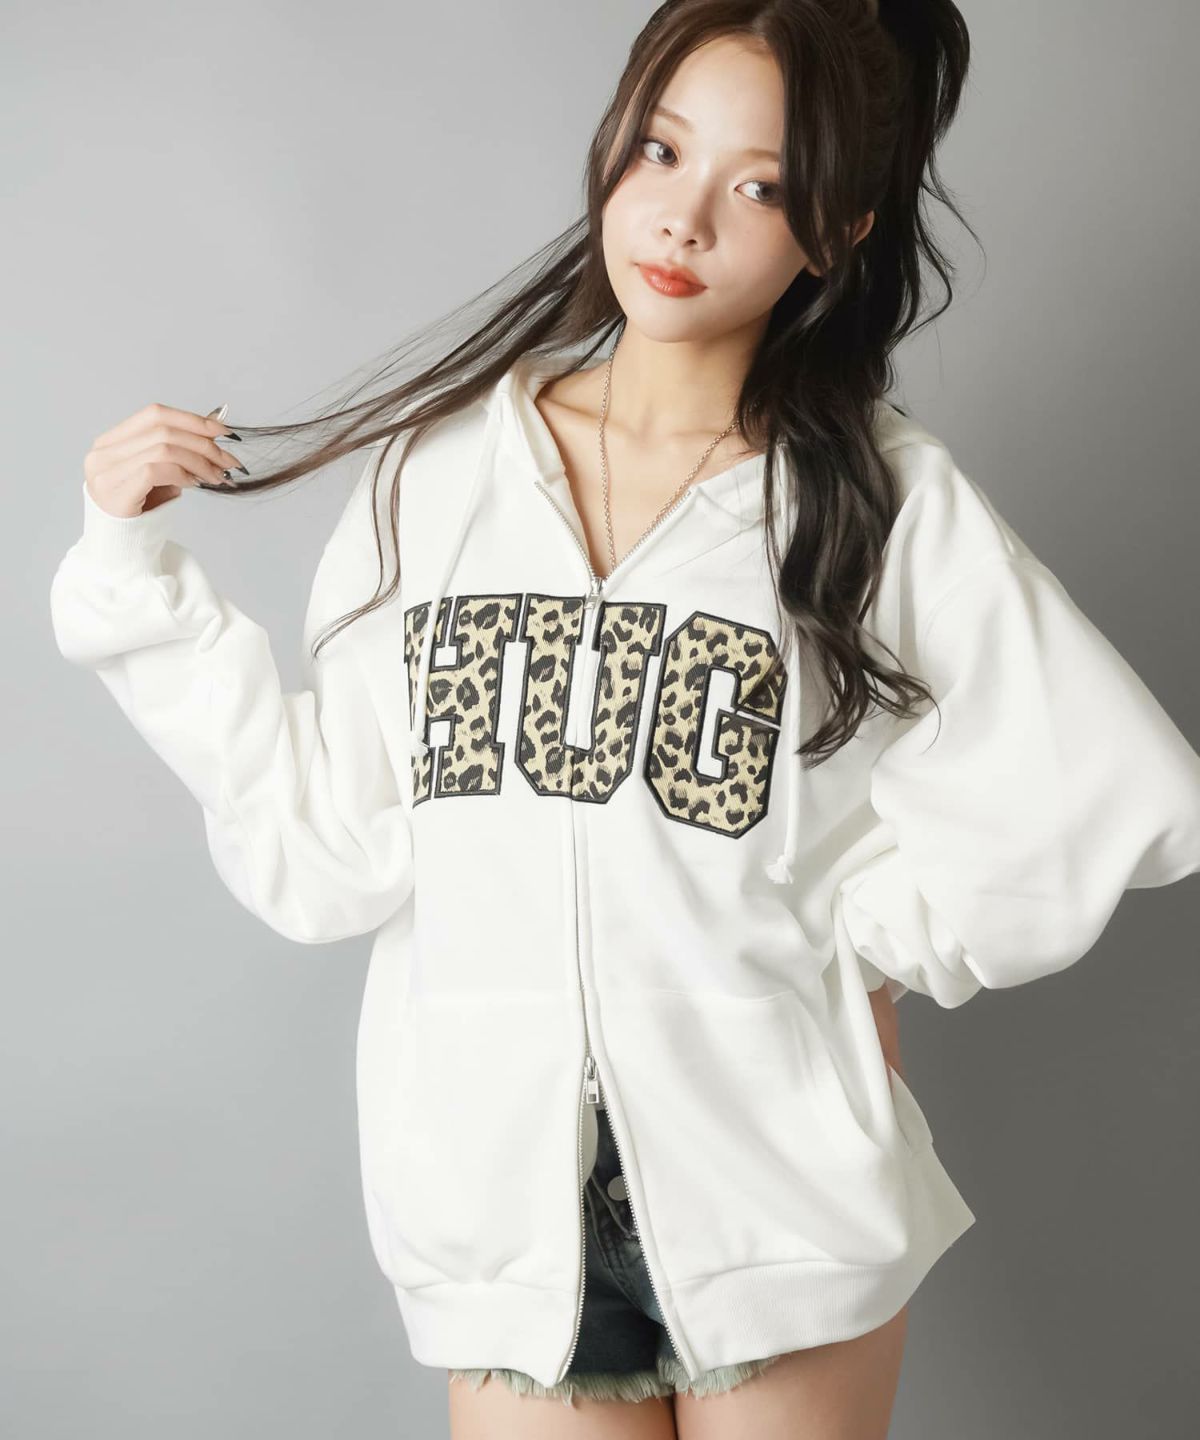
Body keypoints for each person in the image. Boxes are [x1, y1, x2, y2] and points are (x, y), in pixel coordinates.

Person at [49, 2, 1200, 1437]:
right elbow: (330, 846)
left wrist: (865, 941)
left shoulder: (874, 500)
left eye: (760, 186)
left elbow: (1108, 784)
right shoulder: (437, 478)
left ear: (837, 231)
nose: (683, 217)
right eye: (661, 149)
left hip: (779, 1203)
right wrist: (134, 580)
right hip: (501, 1217)